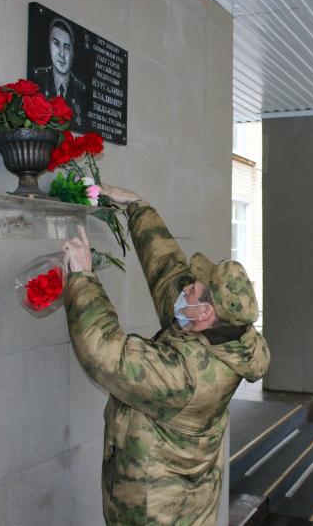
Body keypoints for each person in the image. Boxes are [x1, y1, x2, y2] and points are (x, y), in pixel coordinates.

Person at [61, 185, 270, 525]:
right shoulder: (227, 335)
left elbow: (104, 352)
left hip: (156, 509)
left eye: (194, 288)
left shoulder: (187, 375)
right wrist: (137, 208)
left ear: (203, 312)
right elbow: (168, 271)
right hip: (188, 498)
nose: (185, 285)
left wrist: (82, 278)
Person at [31, 17, 88, 127]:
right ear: (49, 45)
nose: (61, 54)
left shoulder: (81, 91)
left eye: (66, 47)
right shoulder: (37, 79)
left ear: (73, 53)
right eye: (56, 43)